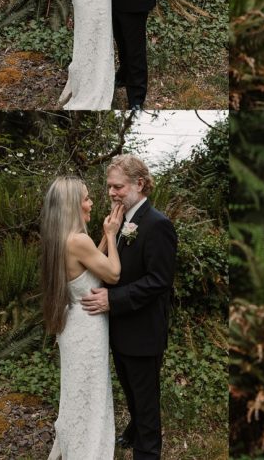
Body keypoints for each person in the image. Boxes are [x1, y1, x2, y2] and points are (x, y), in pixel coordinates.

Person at [81, 155, 177, 460]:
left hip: (143, 332)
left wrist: (113, 300)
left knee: (146, 400)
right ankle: (133, 430)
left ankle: (147, 450)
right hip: (119, 329)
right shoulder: (120, 220)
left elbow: (159, 281)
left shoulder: (158, 224)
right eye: (109, 186)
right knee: (132, 392)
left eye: (118, 186)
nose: (111, 192)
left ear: (139, 183)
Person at [41, 176, 125, 459]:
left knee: (78, 391)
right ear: (72, 205)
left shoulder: (58, 238)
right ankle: (87, 450)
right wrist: (112, 235)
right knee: (91, 393)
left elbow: (89, 268)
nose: (90, 203)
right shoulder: (78, 240)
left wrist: (101, 237)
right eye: (86, 198)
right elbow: (112, 273)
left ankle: (75, 442)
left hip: (72, 324)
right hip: (88, 328)